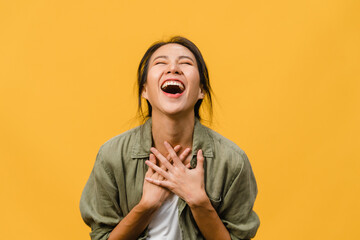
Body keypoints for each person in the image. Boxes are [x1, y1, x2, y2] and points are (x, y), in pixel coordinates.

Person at [80, 36, 260, 240]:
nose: (173, 68)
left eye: (185, 63)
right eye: (160, 63)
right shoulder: (112, 157)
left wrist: (199, 203)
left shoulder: (232, 162)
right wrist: (146, 206)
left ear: (201, 90)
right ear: (145, 90)